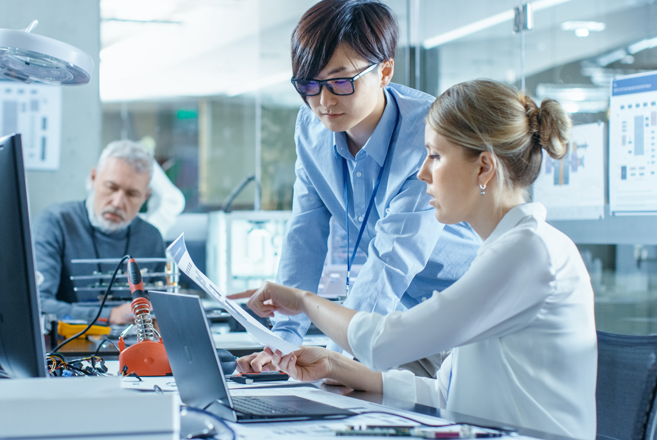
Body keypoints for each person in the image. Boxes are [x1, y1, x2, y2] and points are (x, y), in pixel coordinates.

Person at [230, 79, 597, 439]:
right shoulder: (506, 249)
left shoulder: (529, 253)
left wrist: (306, 302)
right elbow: (444, 393)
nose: (422, 173)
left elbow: (385, 342)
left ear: (484, 168)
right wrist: (336, 365)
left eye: (435, 156)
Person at [238, 0, 481, 376]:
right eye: (308, 84)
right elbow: (305, 235)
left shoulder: (429, 133)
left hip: (457, 320)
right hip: (392, 322)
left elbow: (392, 261)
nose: (324, 101)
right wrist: (281, 343)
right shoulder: (311, 129)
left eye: (340, 81)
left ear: (384, 71)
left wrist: (332, 359)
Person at [34, 140, 167, 325]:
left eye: (132, 194)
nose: (118, 202)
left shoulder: (151, 237)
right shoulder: (56, 223)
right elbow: (37, 304)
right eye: (111, 187)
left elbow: (161, 309)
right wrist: (109, 315)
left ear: (145, 196)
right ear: (93, 178)